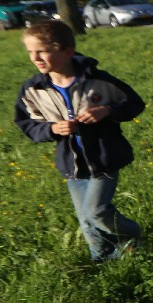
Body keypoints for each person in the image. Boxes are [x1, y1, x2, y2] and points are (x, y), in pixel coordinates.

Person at [15, 20, 144, 262]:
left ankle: (132, 234)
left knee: (95, 212)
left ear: (68, 51)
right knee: (84, 218)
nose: (35, 58)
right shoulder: (33, 90)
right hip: (71, 164)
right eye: (30, 51)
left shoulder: (99, 81)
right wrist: (52, 129)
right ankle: (102, 258)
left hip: (104, 157)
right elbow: (26, 123)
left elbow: (134, 103)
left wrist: (107, 110)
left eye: (42, 51)